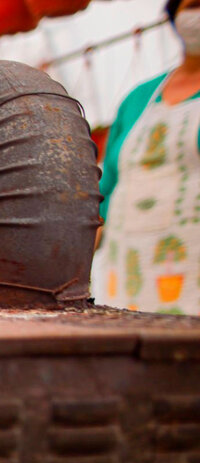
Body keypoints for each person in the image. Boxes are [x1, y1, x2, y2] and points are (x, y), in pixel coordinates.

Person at [93, 0, 200, 314]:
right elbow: (108, 185)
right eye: (193, 4)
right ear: (174, 15)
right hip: (129, 268)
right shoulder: (138, 99)